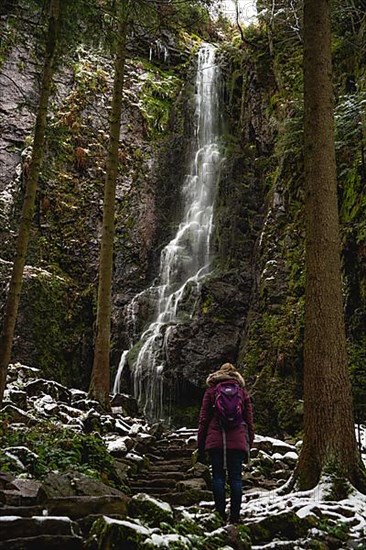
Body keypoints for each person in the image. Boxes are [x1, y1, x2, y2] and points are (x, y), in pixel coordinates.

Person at [197, 362, 254, 524]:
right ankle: (235, 516)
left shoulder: (211, 391)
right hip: (237, 442)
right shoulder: (242, 392)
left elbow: (203, 420)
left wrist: (201, 444)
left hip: (216, 441)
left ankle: (220, 514)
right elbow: (249, 420)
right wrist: (249, 442)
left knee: (218, 477)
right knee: (236, 479)